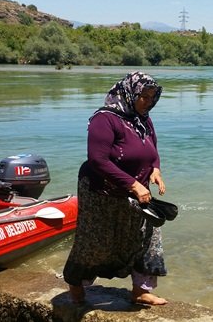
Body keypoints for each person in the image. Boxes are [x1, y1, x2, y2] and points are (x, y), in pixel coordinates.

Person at [63, 71, 168, 305]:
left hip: (136, 191)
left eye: (152, 98)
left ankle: (141, 290)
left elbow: (152, 151)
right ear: (130, 93)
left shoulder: (143, 119)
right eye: (144, 96)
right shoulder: (105, 119)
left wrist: (155, 169)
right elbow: (97, 160)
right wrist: (133, 184)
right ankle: (76, 287)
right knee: (96, 242)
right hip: (102, 192)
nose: (148, 102)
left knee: (145, 237)